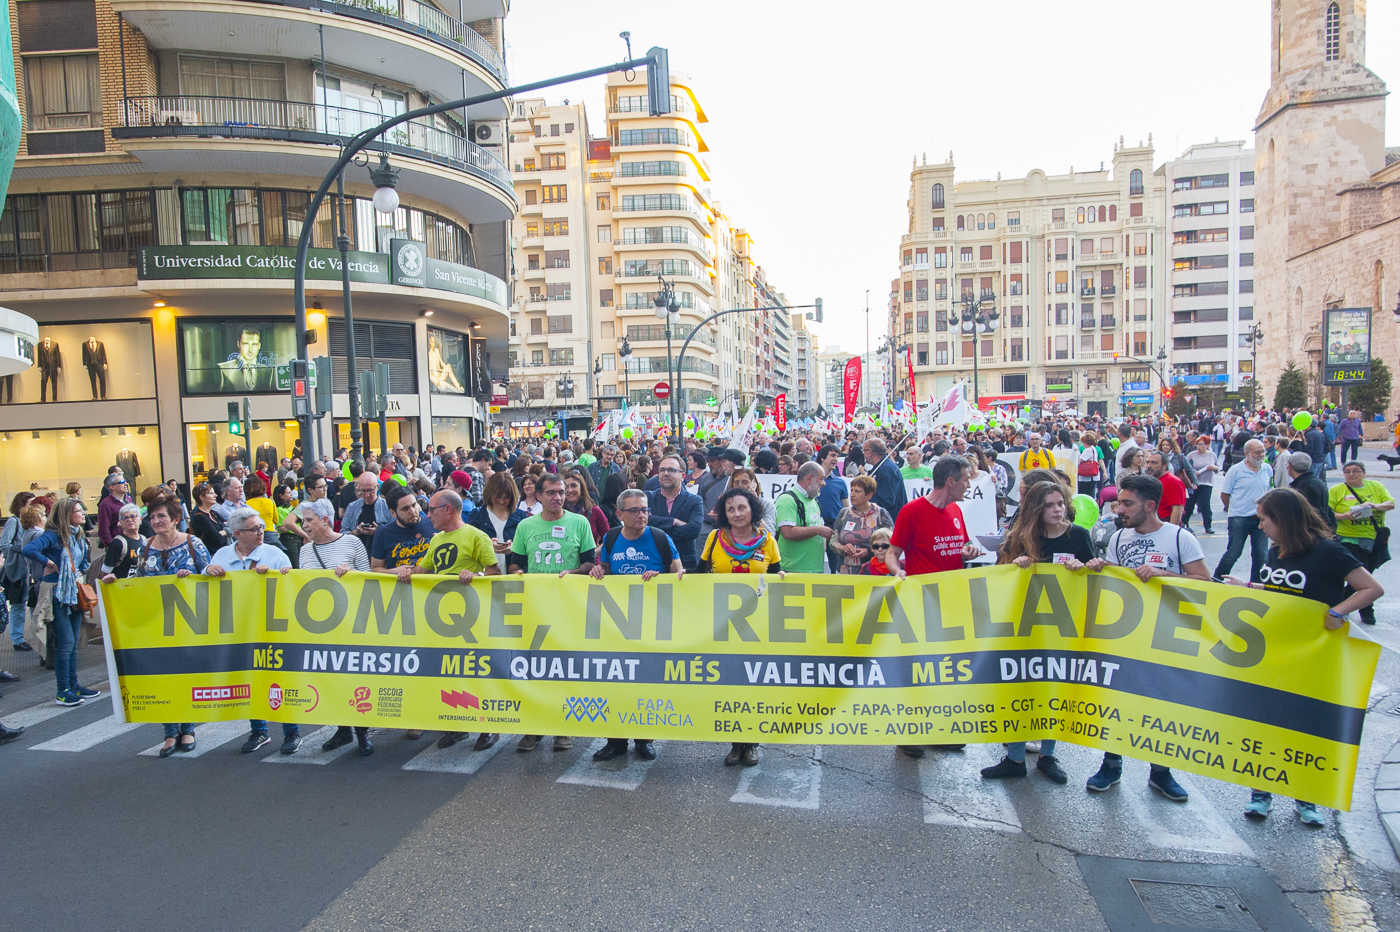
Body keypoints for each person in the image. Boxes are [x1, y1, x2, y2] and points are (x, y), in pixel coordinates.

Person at [1233, 488, 1383, 825]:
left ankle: (1306, 798)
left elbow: (1371, 588)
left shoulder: (1328, 552)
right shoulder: (1276, 550)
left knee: (1303, 727)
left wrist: (1338, 611)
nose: (1260, 526)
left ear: (1284, 519)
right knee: (1266, 725)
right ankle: (1260, 793)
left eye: (1264, 519)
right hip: (1273, 652)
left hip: (1312, 655)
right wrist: (1250, 588)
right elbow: (1284, 591)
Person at [1084, 473, 1209, 801]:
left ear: (1150, 505)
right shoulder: (1118, 537)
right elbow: (1114, 580)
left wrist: (1164, 575)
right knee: (1116, 702)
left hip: (1165, 637)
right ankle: (1111, 764)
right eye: (1119, 502)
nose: (1119, 509)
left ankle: (1161, 771)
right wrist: (1100, 568)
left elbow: (1204, 582)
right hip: (1126, 635)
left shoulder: (1180, 538)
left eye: (1127, 503)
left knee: (1159, 706)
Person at [983, 479, 1094, 784]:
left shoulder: (1079, 536)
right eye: (1049, 506)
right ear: (1035, 509)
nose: (1058, 510)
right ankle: (1015, 758)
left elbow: (1095, 576)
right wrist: (1013, 563)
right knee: (1020, 690)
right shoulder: (1021, 537)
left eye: (1061, 503)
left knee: (1052, 691)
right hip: (1024, 627)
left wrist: (1083, 568)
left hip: (1062, 628)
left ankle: (1048, 755)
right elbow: (999, 576)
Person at [886, 455, 983, 758]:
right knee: (918, 668)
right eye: (965, 479)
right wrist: (897, 571)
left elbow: (960, 547)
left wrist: (968, 551)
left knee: (945, 668)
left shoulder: (956, 510)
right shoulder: (912, 511)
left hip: (952, 602)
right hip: (920, 602)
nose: (969, 485)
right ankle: (909, 731)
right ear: (951, 481)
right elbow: (892, 552)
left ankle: (939, 729)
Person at [104, 493, 210, 756]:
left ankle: (188, 728)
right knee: (162, 677)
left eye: (162, 516)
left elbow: (210, 577)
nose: (156, 521)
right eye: (152, 517)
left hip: (187, 623)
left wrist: (192, 578)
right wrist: (115, 584)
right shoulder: (146, 547)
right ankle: (170, 732)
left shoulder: (192, 543)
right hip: (156, 623)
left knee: (184, 676)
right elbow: (139, 582)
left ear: (175, 518)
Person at [590, 488, 685, 763]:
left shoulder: (660, 537)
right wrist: (598, 571)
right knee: (615, 684)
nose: (641, 515)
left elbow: (679, 573)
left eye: (645, 510)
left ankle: (644, 740)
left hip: (651, 625)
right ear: (619, 513)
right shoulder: (611, 538)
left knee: (646, 684)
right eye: (634, 510)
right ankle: (615, 742)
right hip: (617, 626)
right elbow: (605, 569)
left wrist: (661, 577)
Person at [402, 488, 501, 751]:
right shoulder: (436, 540)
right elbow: (423, 571)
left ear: (448, 510)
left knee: (476, 673)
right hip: (441, 617)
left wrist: (477, 577)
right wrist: (405, 572)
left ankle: (489, 727)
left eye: (432, 509)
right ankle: (457, 726)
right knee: (449, 672)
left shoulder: (477, 536)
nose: (427, 515)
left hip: (471, 618)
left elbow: (494, 574)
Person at [509, 473, 596, 752]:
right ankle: (533, 729)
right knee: (534, 670)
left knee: (565, 669)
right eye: (551, 493)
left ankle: (563, 728)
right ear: (538, 495)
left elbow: (589, 563)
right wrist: (518, 574)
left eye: (561, 492)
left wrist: (573, 572)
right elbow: (515, 564)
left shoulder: (579, 523)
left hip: (569, 607)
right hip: (535, 607)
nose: (558, 497)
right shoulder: (525, 526)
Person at [204, 507, 301, 755]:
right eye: (254, 529)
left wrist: (274, 576)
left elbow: (291, 585)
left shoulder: (275, 554)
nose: (261, 532)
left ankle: (292, 732)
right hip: (239, 630)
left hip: (272, 629)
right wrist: (207, 572)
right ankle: (259, 730)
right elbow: (204, 587)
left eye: (261, 527)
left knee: (279, 680)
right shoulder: (222, 555)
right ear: (237, 533)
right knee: (249, 679)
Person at [698, 487, 782, 767]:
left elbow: (775, 578)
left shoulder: (768, 541)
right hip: (722, 625)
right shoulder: (714, 539)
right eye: (730, 509)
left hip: (757, 627)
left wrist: (782, 577)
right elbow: (699, 575)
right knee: (731, 684)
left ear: (752, 509)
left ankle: (752, 743)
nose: (736, 514)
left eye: (741, 507)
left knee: (754, 686)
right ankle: (736, 744)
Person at [296, 498, 374, 756]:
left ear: (325, 520)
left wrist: (351, 574)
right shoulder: (305, 551)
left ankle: (362, 732)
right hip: (323, 626)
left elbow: (370, 580)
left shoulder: (351, 543)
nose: (304, 525)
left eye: (309, 520)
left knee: (355, 677)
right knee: (332, 678)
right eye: (303, 521)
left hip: (352, 623)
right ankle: (342, 729)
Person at [23, 497, 95, 709]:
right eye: (79, 511)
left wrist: (82, 566)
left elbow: (83, 562)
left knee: (72, 643)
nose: (83, 513)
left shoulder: (77, 534)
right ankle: (63, 691)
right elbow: (29, 549)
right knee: (66, 643)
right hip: (58, 593)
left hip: (73, 591)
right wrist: (48, 562)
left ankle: (73, 685)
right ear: (67, 515)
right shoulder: (53, 535)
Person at [1329, 460, 1394, 626]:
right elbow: (1328, 512)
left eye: (1356, 471)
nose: (1352, 474)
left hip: (1372, 539)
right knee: (1360, 576)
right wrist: (1345, 516)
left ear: (1363, 473)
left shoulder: (1376, 487)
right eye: (1348, 471)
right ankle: (1363, 610)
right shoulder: (1337, 490)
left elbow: (1390, 504)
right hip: (1347, 538)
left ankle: (1345, 604)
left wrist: (1375, 506)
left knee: (1367, 575)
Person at [1214, 439, 1272, 583]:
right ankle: (1217, 579)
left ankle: (1256, 584)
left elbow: (1269, 490)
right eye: (1257, 452)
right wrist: (1232, 509)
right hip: (1239, 517)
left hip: (1260, 518)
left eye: (1263, 452)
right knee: (1234, 552)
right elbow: (1225, 494)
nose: (1261, 455)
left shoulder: (1267, 468)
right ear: (1247, 453)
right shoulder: (1235, 470)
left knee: (1261, 554)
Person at [466, 472, 531, 575]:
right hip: (484, 575)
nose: (501, 501)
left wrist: (515, 548)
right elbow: (468, 547)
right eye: (498, 497)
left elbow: (529, 548)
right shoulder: (476, 516)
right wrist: (486, 546)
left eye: (506, 497)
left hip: (512, 577)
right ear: (490, 493)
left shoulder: (521, 517)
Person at [647, 455, 704, 570]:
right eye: (662, 470)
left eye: (671, 470)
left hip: (685, 565)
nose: (666, 473)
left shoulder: (695, 500)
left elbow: (694, 530)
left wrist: (656, 529)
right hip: (653, 564)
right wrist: (673, 521)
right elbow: (643, 524)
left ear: (683, 476)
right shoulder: (647, 498)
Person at [833, 474, 893, 575]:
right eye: (851, 490)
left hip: (873, 571)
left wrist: (869, 551)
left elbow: (892, 542)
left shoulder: (881, 514)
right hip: (845, 571)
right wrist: (843, 548)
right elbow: (833, 541)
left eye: (857, 491)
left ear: (869, 495)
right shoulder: (844, 513)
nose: (852, 494)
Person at [1, 492, 36, 652]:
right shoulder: (13, 521)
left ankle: (32, 637)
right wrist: (19, 553)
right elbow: (5, 544)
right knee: (18, 605)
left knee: (31, 603)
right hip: (18, 570)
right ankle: (17, 639)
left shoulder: (31, 523)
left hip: (30, 570)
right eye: (30, 504)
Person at [1284, 452, 1334, 530]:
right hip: (1321, 528)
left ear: (1290, 467)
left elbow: (1305, 514)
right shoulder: (1317, 482)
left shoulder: (1302, 487)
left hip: (1311, 530)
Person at [341, 474, 391, 550]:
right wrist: (355, 532)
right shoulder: (352, 507)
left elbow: (396, 532)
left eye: (370, 490)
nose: (367, 495)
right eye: (363, 491)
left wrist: (379, 532)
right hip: (357, 551)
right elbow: (343, 533)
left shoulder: (387, 507)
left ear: (377, 487)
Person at [1183, 436, 1219, 535]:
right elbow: (1186, 467)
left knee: (1205, 505)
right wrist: (1193, 474)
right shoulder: (1192, 455)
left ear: (1207, 445)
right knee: (1189, 504)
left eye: (1202, 444)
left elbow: (1217, 468)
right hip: (1194, 483)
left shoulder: (1212, 455)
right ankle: (1184, 523)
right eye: (1198, 444)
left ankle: (1208, 526)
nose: (1199, 446)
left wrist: (1214, 468)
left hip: (1206, 483)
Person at [864, 438, 908, 518]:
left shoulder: (886, 469)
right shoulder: (880, 467)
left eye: (865, 450)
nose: (863, 453)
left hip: (890, 518)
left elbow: (887, 500)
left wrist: (865, 501)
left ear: (871, 452)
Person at [564, 470, 610, 545]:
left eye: (573, 486)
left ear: (581, 488)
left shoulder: (594, 511)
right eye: (566, 487)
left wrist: (596, 550)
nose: (569, 490)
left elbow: (608, 538)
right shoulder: (559, 511)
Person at [99, 503, 144, 579]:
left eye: (133, 516)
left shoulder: (144, 540)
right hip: (121, 585)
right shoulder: (118, 543)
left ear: (140, 519)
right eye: (125, 518)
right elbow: (105, 573)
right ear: (120, 522)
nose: (129, 520)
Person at [1144, 451, 1186, 526]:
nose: (1149, 466)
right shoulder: (1151, 480)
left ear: (1164, 466)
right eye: (1147, 462)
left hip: (1165, 523)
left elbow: (1177, 509)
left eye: (1154, 463)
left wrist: (1171, 530)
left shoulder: (1173, 482)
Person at [729, 468, 776, 533]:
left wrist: (755, 506)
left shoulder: (767, 505)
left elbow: (770, 532)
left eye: (745, 482)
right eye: (736, 483)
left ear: (754, 484)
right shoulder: (728, 505)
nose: (740, 486)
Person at [243, 475, 280, 548]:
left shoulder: (246, 504)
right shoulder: (270, 502)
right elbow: (276, 520)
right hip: (271, 536)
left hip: (254, 536)